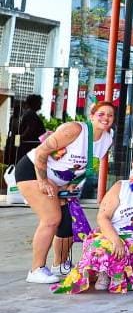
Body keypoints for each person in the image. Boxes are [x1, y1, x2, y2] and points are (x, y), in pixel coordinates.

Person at [53, 148, 133, 294]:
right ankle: (106, 272)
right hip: (119, 233)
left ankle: (128, 277)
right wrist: (116, 240)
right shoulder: (121, 186)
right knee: (101, 246)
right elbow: (103, 217)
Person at [18, 102, 114, 284]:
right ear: (91, 116)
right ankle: (36, 269)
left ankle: (59, 264)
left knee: (65, 219)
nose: (106, 118)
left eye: (110, 115)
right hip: (33, 170)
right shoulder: (75, 130)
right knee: (51, 218)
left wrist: (69, 185)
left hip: (58, 180)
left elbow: (86, 165)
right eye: (101, 114)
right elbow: (41, 152)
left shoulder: (107, 139)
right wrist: (43, 180)